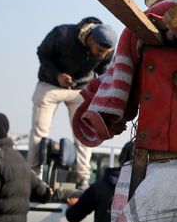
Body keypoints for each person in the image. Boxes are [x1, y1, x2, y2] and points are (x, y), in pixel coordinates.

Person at [27, 17, 117, 189]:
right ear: (90, 39)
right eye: (99, 50)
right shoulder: (62, 34)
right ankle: (33, 176)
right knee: (39, 131)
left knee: (85, 133)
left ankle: (82, 177)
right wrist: (57, 75)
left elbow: (104, 72)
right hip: (50, 85)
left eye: (106, 52)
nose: (102, 55)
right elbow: (42, 53)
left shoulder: (107, 51)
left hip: (80, 88)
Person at [65, 141, 133, 222]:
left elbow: (73, 216)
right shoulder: (145, 189)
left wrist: (72, 205)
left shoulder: (99, 187)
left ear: (119, 160)